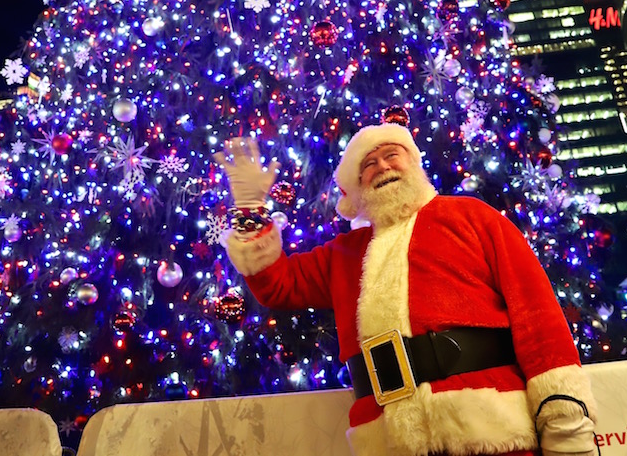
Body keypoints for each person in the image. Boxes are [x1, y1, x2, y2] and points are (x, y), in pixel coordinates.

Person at [215, 124, 598, 456]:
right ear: (356, 188)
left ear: (413, 162)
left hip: (491, 432)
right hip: (389, 439)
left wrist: (563, 417)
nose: (381, 166)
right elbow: (277, 285)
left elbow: (537, 314)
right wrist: (249, 210)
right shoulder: (342, 254)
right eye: (368, 165)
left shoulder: (472, 216)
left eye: (391, 155)